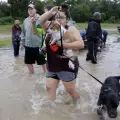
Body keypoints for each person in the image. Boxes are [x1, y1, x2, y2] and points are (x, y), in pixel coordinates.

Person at [32, 4, 84, 102]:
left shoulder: (70, 29)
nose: (58, 20)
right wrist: (50, 12)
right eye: (56, 17)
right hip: (52, 65)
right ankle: (51, 112)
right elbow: (38, 23)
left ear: (67, 19)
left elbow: (81, 44)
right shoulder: (51, 26)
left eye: (61, 18)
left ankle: (78, 105)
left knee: (71, 91)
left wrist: (64, 45)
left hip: (67, 66)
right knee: (49, 87)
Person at [20, 4, 46, 74]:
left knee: (43, 63)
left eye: (32, 9)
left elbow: (42, 32)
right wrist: (22, 44)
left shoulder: (40, 19)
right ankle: (32, 76)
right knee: (28, 63)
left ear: (35, 10)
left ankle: (46, 75)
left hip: (38, 46)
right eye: (29, 9)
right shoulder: (25, 21)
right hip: (28, 46)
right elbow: (23, 33)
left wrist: (34, 24)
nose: (30, 11)